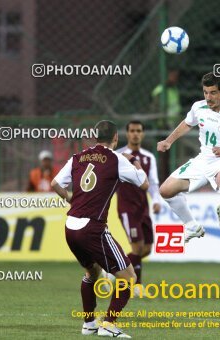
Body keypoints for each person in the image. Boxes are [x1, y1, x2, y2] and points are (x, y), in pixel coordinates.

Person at [51, 120, 148, 338]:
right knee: (128, 277)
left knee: (92, 272)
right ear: (116, 138)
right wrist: (133, 159)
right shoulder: (115, 159)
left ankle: (89, 323)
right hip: (92, 228)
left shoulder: (78, 157)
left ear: (95, 137)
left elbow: (55, 183)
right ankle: (109, 324)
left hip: (71, 226)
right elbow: (143, 184)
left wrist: (70, 199)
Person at [157, 72, 220, 242]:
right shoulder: (199, 107)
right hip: (203, 159)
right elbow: (187, 123)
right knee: (166, 191)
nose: (208, 97)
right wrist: (169, 141)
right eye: (205, 92)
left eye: (213, 93)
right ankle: (192, 226)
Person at [116, 120, 163, 292]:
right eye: (132, 131)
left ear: (142, 134)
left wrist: (156, 200)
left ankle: (113, 269)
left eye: (139, 131)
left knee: (146, 249)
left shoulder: (148, 157)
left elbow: (152, 182)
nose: (135, 134)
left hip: (143, 208)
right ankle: (136, 285)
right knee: (136, 246)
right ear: (127, 133)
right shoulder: (119, 156)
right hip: (127, 208)